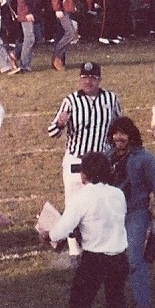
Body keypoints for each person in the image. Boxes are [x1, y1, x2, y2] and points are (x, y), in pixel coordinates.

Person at [41, 152, 131, 308]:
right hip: (119, 256)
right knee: (116, 302)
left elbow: (59, 232)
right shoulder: (117, 194)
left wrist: (47, 233)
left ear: (84, 174)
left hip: (95, 259)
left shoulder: (82, 197)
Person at [107, 116, 155, 308]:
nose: (119, 137)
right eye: (115, 133)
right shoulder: (108, 157)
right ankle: (115, 301)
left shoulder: (145, 159)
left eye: (123, 133)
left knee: (134, 257)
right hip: (114, 214)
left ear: (131, 135)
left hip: (136, 212)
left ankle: (144, 304)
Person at [48, 61, 123, 211]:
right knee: (74, 205)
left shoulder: (110, 99)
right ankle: (73, 235)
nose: (88, 81)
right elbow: (52, 133)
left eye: (92, 77)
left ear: (99, 80)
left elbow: (120, 126)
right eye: (84, 77)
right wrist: (60, 124)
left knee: (100, 206)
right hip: (77, 159)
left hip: (101, 160)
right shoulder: (70, 101)